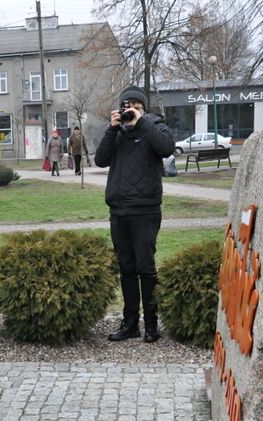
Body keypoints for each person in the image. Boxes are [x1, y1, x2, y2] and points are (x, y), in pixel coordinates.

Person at [94, 85, 175, 342]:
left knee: (146, 268)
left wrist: (142, 122)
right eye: (126, 106)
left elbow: (166, 148)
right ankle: (130, 323)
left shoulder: (155, 126)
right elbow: (100, 160)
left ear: (143, 108)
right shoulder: (117, 132)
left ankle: (151, 324)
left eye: (136, 106)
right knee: (126, 268)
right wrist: (112, 128)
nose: (130, 111)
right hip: (119, 210)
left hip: (145, 210)